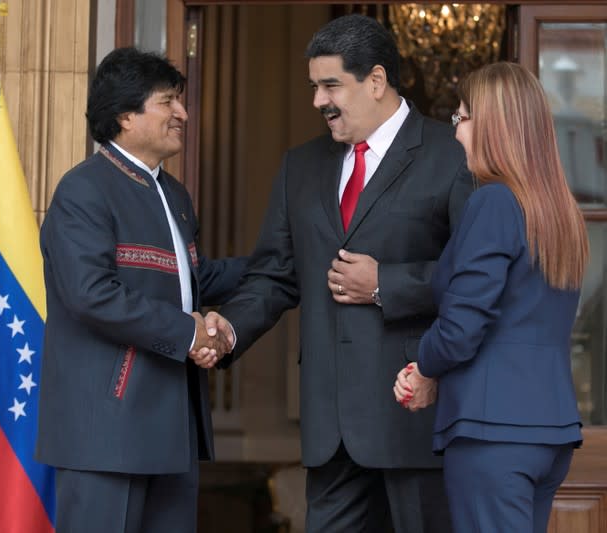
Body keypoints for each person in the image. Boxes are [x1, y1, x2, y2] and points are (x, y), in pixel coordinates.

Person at [201, 13, 473, 533]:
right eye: (313, 86)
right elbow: (274, 276)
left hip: (414, 419)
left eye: (330, 85)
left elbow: (475, 277)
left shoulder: (451, 155)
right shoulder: (299, 167)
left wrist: (385, 285)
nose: (317, 101)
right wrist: (229, 329)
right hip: (330, 432)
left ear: (375, 80)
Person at [35, 47, 245, 532]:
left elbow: (190, 283)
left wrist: (281, 266)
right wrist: (189, 334)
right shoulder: (83, 190)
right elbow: (92, 293)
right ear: (125, 115)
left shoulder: (173, 193)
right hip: (106, 429)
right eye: (168, 101)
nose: (183, 114)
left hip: (173, 427)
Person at [393, 61, 587, 533]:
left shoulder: (495, 201)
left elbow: (462, 327)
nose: (457, 133)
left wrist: (425, 365)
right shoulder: (561, 213)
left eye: (462, 119)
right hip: (548, 430)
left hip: (493, 431)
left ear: (494, 127)